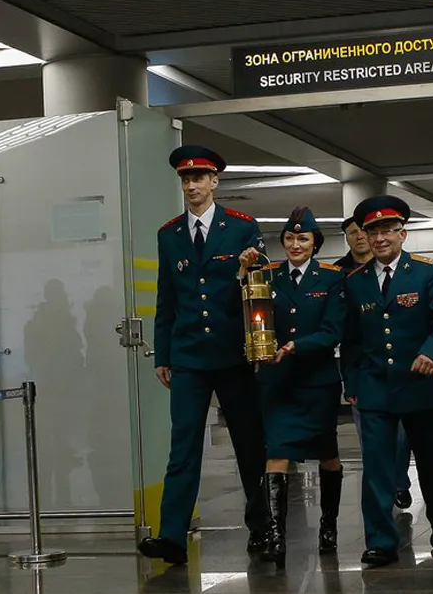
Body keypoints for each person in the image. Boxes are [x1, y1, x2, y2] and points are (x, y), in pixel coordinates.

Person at [139, 145, 267, 566]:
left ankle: (263, 526)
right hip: (189, 356)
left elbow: (259, 287)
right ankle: (172, 536)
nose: (192, 185)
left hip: (234, 354)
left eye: (199, 178)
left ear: (215, 182)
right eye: (185, 179)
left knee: (249, 444)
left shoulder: (241, 227)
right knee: (183, 446)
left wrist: (259, 344)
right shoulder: (169, 234)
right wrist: (163, 353)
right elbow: (167, 298)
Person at [342, 196, 433, 566]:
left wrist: (432, 353)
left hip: (421, 385)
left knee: (432, 462)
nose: (380, 238)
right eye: (372, 232)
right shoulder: (356, 282)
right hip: (375, 387)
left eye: (388, 231)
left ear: (402, 234)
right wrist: (351, 384)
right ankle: (380, 541)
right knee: (377, 467)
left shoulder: (425, 271)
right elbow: (351, 339)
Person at [239, 207, 347, 569]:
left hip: (318, 382)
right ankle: (276, 537)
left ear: (315, 243)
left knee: (327, 454)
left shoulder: (331, 278)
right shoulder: (268, 275)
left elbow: (333, 331)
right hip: (278, 382)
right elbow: (250, 310)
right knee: (277, 453)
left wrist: (296, 346)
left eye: (303, 238)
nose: (295, 244)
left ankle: (328, 526)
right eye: (289, 238)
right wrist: (243, 273)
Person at [336, 217, 415, 510]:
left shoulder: (408, 270)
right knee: (371, 439)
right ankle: (382, 498)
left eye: (364, 232)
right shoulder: (342, 275)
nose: (360, 237)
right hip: (365, 372)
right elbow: (349, 334)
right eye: (353, 233)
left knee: (402, 436)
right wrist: (350, 381)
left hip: (403, 372)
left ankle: (399, 481)